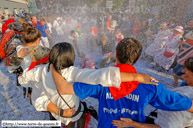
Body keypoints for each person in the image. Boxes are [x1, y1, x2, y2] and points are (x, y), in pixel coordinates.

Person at [51, 38, 193, 128]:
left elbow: (63, 89)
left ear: (116, 55)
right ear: (137, 60)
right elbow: (182, 103)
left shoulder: (101, 80)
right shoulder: (149, 84)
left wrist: (53, 63)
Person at [19, 42, 156, 127]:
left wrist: (23, 79)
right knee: (77, 118)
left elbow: (23, 79)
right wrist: (136, 76)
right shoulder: (73, 72)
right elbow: (100, 75)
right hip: (73, 112)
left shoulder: (40, 70)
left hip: (55, 111)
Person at [112, 57, 193, 128]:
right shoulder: (187, 91)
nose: (183, 70)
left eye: (188, 69)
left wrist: (133, 124)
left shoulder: (185, 96)